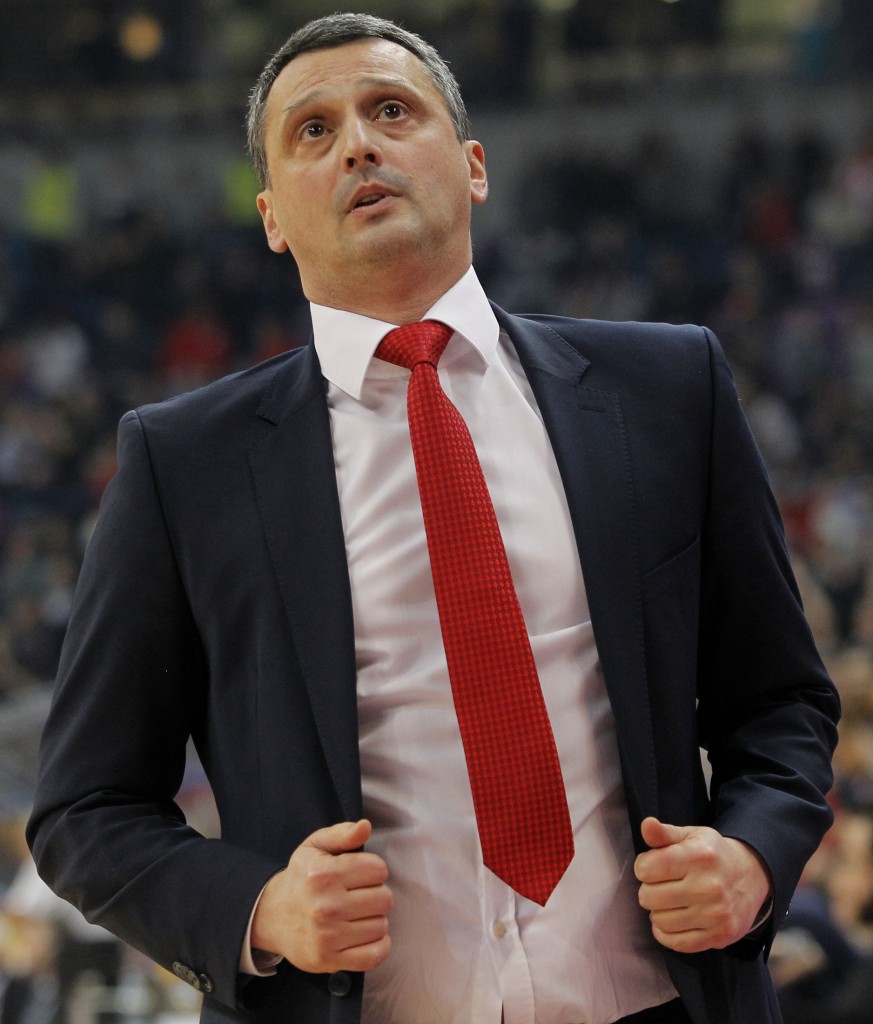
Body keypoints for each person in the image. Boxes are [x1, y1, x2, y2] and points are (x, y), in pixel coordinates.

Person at [26, 12, 840, 1024]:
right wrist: (261, 909)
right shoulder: (182, 462)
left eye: (391, 110)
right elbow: (85, 809)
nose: (358, 144)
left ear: (474, 166)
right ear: (272, 217)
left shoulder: (667, 387)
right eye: (313, 130)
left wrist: (752, 855)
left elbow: (781, 700)